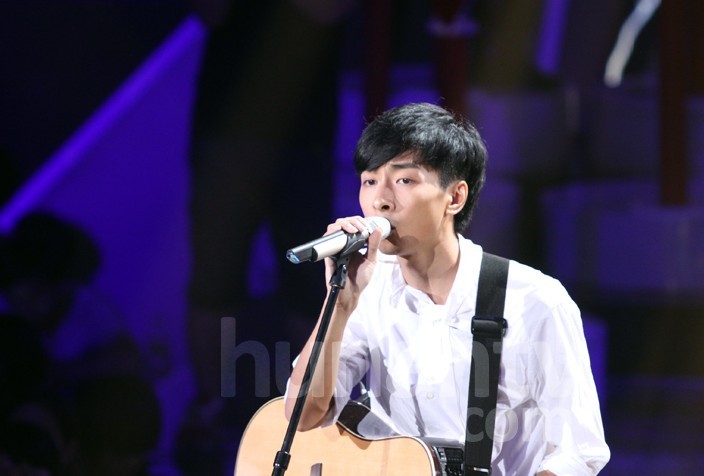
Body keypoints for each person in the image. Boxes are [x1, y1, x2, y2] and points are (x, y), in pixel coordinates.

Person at [284, 102, 610, 475]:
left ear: (454, 197)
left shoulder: (534, 301)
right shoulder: (367, 291)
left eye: (404, 181)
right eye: (369, 181)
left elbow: (578, 452)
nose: (380, 200)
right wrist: (340, 303)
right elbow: (302, 416)